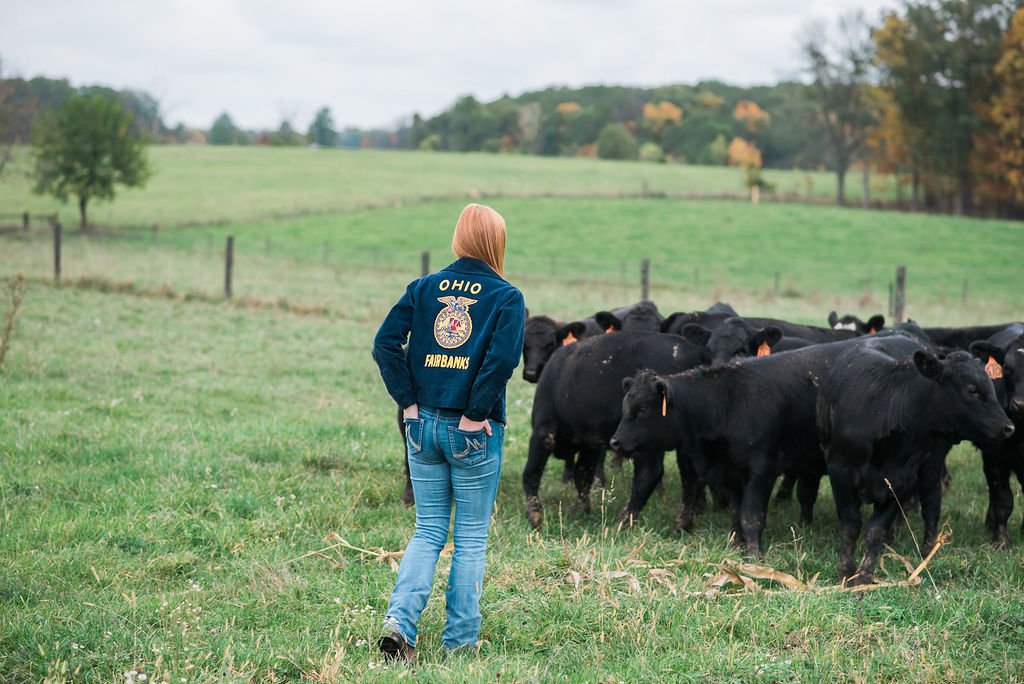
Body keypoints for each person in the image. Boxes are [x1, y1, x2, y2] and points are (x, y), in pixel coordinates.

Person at [372, 203, 525, 661]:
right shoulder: (506, 297)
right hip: (471, 430)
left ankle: (400, 626)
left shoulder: (424, 288)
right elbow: (501, 361)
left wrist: (409, 403)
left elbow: (384, 343)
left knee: (427, 531)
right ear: (496, 242)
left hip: (421, 426)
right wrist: (476, 414)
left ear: (460, 238)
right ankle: (459, 644)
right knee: (471, 538)